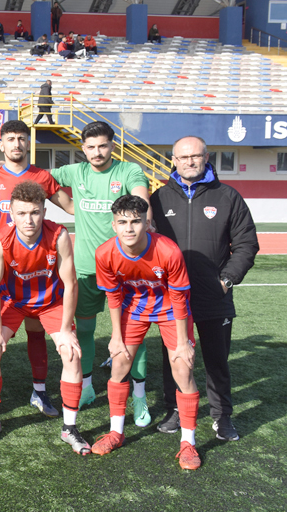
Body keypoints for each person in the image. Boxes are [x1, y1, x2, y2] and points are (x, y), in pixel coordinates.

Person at [151, 136, 259, 441]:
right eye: (183, 157)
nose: (189, 162)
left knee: (216, 359)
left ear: (206, 157)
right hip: (173, 299)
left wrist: (226, 280)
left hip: (214, 295)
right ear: (173, 160)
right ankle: (175, 409)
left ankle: (222, 415)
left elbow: (247, 244)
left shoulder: (228, 197)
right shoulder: (158, 199)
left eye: (195, 156)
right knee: (174, 358)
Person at [49, 122, 152, 418]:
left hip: (125, 269)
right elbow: (35, 176)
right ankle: (88, 387)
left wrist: (146, 221)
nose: (97, 152)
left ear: (112, 145)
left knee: (134, 333)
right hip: (85, 268)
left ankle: (139, 396)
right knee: (84, 330)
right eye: (91, 147)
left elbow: (141, 200)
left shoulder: (128, 171)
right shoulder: (74, 172)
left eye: (103, 145)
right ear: (83, 149)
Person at [0, 181, 90, 453]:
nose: (28, 220)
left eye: (35, 212)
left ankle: (70, 428)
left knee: (71, 353)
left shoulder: (59, 235)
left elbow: (71, 283)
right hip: (12, 301)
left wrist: (66, 329)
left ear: (44, 210)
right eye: (22, 213)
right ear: (12, 213)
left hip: (50, 302)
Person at [92, 195, 201, 470]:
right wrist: (115, 336)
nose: (129, 228)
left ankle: (188, 443)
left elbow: (179, 298)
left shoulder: (168, 250)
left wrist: (182, 343)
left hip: (170, 311)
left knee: (183, 369)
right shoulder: (105, 253)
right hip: (134, 310)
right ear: (113, 225)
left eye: (136, 221)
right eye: (122, 222)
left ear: (147, 223)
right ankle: (116, 432)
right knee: (119, 364)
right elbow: (113, 296)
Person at [0, 120, 75, 418]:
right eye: (10, 139)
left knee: (36, 333)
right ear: (1, 144)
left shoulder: (42, 176)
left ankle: (40, 392)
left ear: (28, 144)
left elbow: (71, 207)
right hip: (6, 270)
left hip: (40, 264)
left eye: (21, 138)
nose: (16, 143)